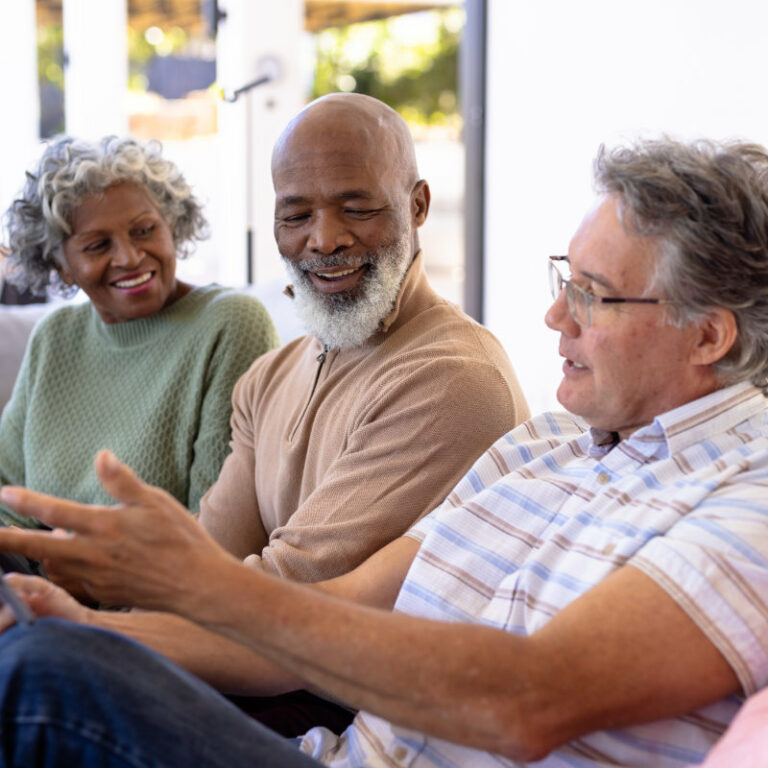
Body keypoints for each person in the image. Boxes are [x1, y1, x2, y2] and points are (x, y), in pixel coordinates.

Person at [0, 135, 765, 766]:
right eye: (565, 278)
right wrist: (86, 624)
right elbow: (320, 617)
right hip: (329, 753)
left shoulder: (749, 499)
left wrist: (200, 584)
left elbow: (526, 702)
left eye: (594, 293)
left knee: (40, 678)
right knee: (42, 650)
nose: (554, 314)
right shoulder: (545, 447)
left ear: (709, 334)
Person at [195, 92, 529, 581]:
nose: (324, 239)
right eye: (295, 216)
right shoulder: (268, 378)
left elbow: (286, 590)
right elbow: (208, 563)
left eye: (356, 209)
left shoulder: (452, 378)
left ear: (418, 206)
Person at [0, 136, 279, 539]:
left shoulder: (229, 324)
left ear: (173, 225)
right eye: (97, 245)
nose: (129, 257)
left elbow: (215, 527)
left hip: (150, 593)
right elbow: (7, 492)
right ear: (61, 266)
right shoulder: (55, 338)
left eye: (144, 230)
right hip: (34, 582)